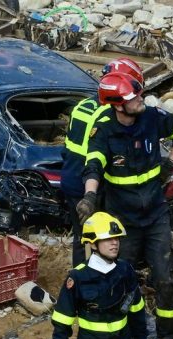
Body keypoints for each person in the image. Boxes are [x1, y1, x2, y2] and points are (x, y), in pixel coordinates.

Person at [80, 71, 173, 339]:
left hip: (155, 216)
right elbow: (93, 166)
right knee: (123, 282)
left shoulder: (153, 117)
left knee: (164, 280)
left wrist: (170, 162)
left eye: (139, 94)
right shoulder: (103, 130)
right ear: (118, 105)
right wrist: (90, 196)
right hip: (124, 221)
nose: (141, 99)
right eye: (134, 97)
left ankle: (168, 338)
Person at [60, 57, 145, 267]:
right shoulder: (109, 116)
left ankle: (81, 279)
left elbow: (67, 147)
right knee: (106, 236)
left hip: (71, 179)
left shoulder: (84, 105)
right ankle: (103, 282)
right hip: (94, 185)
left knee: (82, 237)